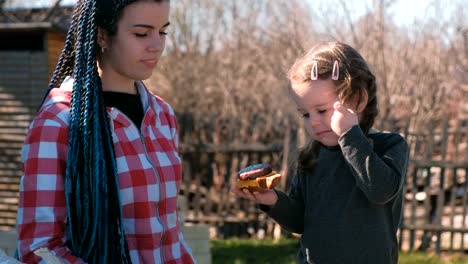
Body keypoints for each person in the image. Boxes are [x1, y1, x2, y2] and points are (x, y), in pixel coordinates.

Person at [16, 0, 195, 263]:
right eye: (141, 34)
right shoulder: (60, 122)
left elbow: (169, 233)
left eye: (163, 31)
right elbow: (40, 249)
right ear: (102, 35)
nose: (157, 45)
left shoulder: (162, 115)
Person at [234, 41, 409, 264]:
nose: (313, 122)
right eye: (305, 114)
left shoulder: (390, 146)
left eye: (322, 110)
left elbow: (380, 191)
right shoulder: (310, 157)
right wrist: (273, 200)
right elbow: (299, 221)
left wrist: (349, 135)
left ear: (357, 99)